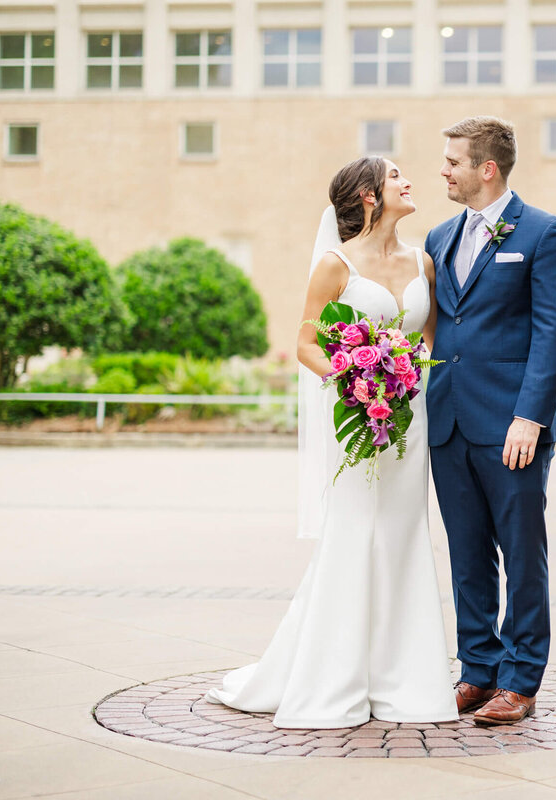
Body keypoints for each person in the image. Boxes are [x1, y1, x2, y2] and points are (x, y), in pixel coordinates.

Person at [204, 156, 458, 729]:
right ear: (369, 195)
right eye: (397, 177)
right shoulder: (334, 264)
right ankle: (333, 676)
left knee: (401, 536)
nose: (409, 182)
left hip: (409, 421)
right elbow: (305, 342)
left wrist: (407, 381)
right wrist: (351, 379)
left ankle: (404, 679)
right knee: (353, 536)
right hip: (359, 417)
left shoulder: (424, 261)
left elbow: (433, 341)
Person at [424, 116, 556, 726]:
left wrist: (529, 418)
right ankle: (479, 670)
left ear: (487, 169)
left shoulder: (544, 234)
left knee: (522, 552)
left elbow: (554, 334)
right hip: (450, 422)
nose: (444, 170)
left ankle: (520, 680)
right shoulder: (439, 236)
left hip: (514, 427)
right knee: (466, 555)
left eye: (453, 162)